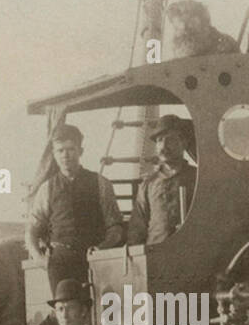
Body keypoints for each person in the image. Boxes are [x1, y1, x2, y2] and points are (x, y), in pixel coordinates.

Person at [26, 123, 125, 289]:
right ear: (54, 154)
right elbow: (32, 229)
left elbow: (116, 228)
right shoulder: (47, 188)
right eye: (60, 150)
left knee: (94, 309)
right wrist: (39, 258)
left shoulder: (101, 183)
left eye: (71, 149)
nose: (66, 155)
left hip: (94, 260)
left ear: (80, 151)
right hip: (60, 263)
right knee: (64, 308)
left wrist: (102, 248)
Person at [128, 114, 198, 246]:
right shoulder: (148, 184)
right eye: (159, 140)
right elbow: (137, 229)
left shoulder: (197, 178)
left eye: (170, 140)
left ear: (183, 143)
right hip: (155, 257)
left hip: (190, 253)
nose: (164, 146)